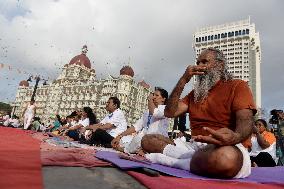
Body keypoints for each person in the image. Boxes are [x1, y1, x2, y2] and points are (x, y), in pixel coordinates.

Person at [141, 48, 256, 179]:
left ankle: (176, 162)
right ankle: (194, 160)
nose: (199, 66)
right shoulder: (194, 94)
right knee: (148, 140)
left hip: (225, 147)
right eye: (198, 62)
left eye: (204, 62)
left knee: (225, 159)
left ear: (221, 65)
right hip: (193, 147)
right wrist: (183, 80)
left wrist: (235, 137)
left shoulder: (238, 86)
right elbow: (169, 112)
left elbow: (246, 121)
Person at [111, 87, 169, 155]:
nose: (154, 97)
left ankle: (126, 149)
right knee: (123, 140)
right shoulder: (147, 112)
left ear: (163, 99)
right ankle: (137, 150)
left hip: (157, 140)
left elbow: (154, 113)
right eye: (153, 95)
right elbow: (136, 127)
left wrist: (150, 99)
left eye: (157, 95)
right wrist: (119, 136)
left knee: (138, 138)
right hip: (144, 140)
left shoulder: (165, 109)